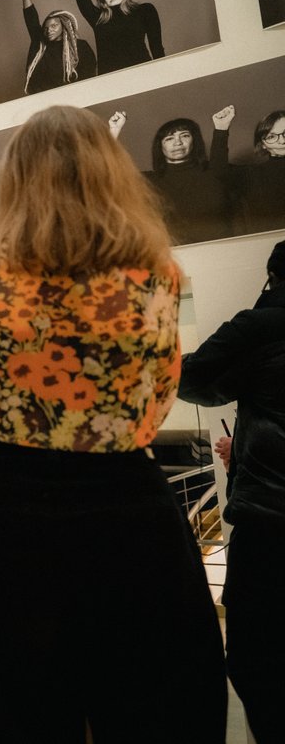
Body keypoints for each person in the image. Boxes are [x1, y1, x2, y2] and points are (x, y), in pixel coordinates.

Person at [0, 105, 226, 741]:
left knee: (7, 716)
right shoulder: (157, 278)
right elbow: (157, 403)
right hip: (130, 515)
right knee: (152, 711)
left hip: (2, 520)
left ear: (14, 182)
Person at [178, 240, 285, 744]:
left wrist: (243, 379)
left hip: (270, 524)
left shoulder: (261, 324)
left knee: (255, 660)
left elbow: (191, 378)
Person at [109, 106, 240, 245]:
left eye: (184, 135)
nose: (178, 142)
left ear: (194, 141)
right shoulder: (148, 182)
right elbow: (110, 172)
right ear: (160, 147)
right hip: (171, 257)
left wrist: (221, 128)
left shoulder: (213, 173)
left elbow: (219, 163)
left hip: (222, 251)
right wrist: (113, 132)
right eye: (169, 138)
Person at [18, 0, 97, 95]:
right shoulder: (39, 45)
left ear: (63, 26)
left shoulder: (80, 47)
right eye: (46, 28)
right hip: (41, 101)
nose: (49, 30)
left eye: (54, 26)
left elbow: (89, 76)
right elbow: (31, 20)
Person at [238, 109, 285, 234]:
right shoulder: (253, 174)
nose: (282, 141)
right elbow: (219, 173)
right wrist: (221, 128)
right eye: (271, 136)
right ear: (263, 144)